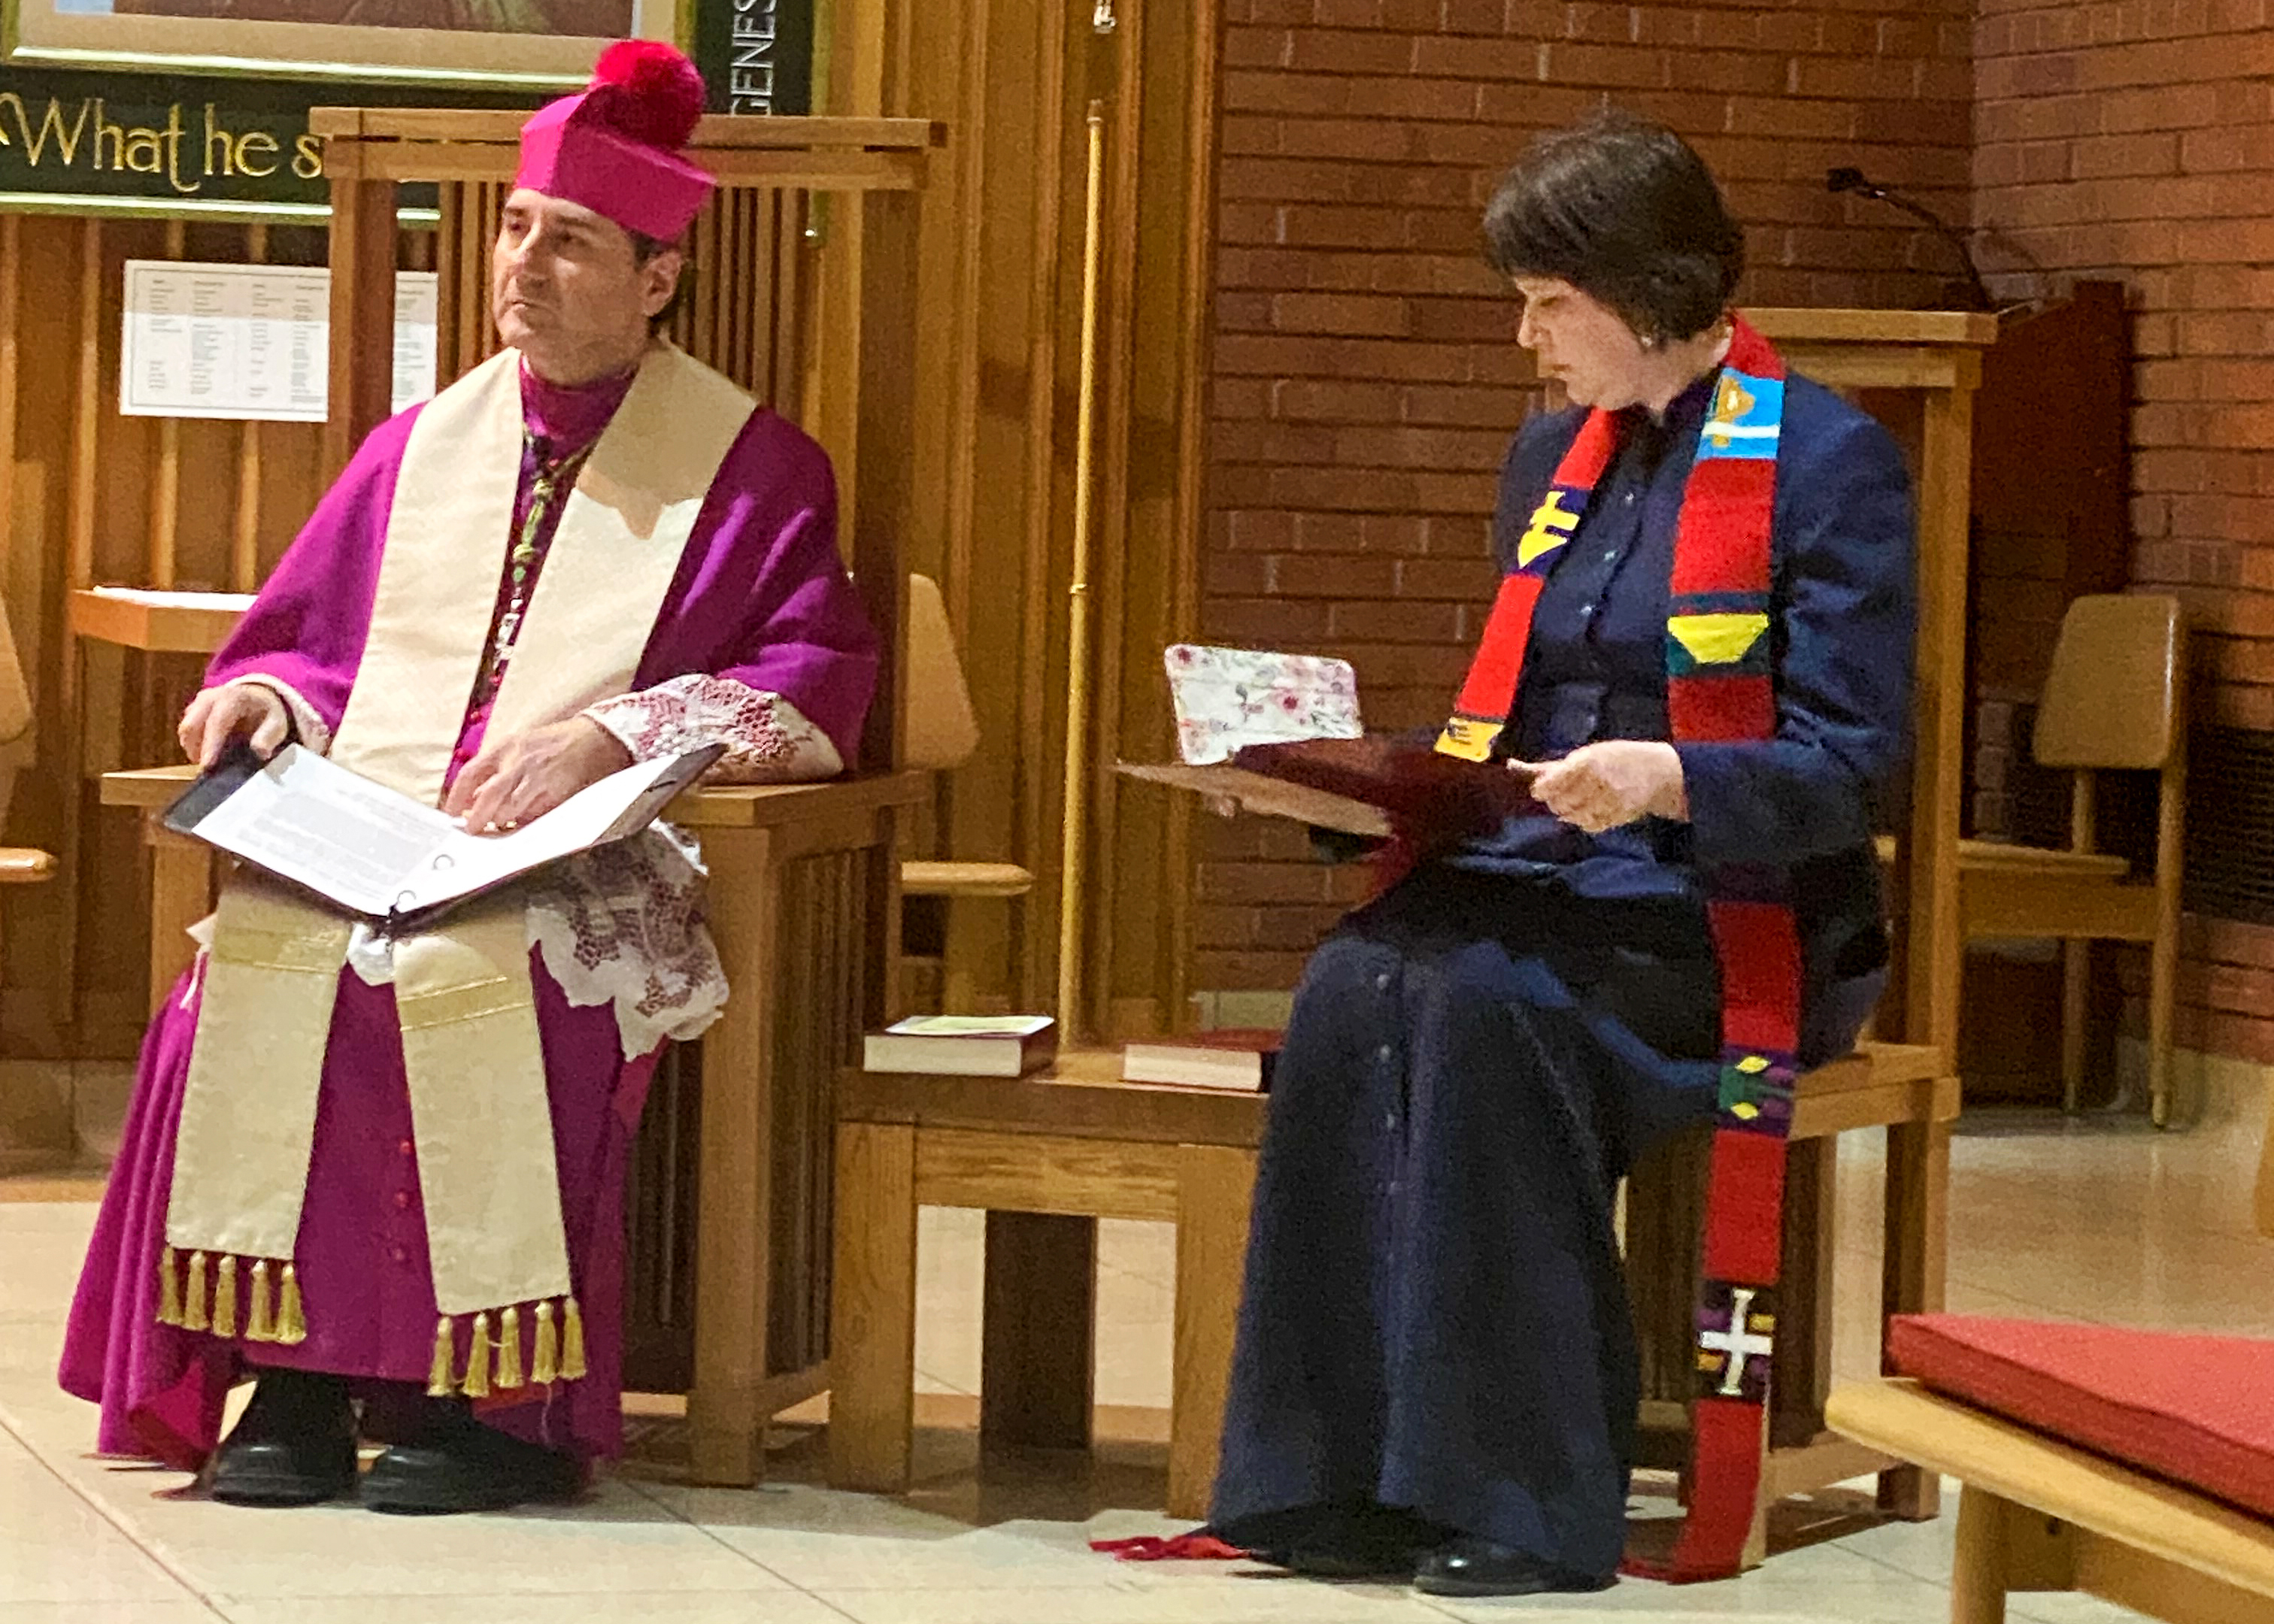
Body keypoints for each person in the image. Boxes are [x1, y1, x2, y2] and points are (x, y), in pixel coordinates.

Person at [60, 40, 878, 1515]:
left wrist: (611, 732)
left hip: (576, 854)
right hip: (371, 831)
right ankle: (294, 1384)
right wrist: (251, 701)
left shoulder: (753, 469)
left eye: (570, 244)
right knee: (257, 970)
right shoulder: (418, 447)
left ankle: (491, 1408)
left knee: (463, 982)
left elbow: (812, 673)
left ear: (656, 280)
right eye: (513, 230)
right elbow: (309, 643)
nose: (526, 267)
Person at [1208, 113, 1915, 1596]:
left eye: (1551, 304)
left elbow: (1855, 768)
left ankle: (1520, 1498)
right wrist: (1341, 787)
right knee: (1354, 988)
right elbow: (1509, 723)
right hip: (1544, 874)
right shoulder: (1554, 451)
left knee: (1479, 1013)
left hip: (1725, 913)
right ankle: (1333, 1479)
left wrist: (1668, 776)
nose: (1528, 339)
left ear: (1651, 293)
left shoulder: (1830, 462)